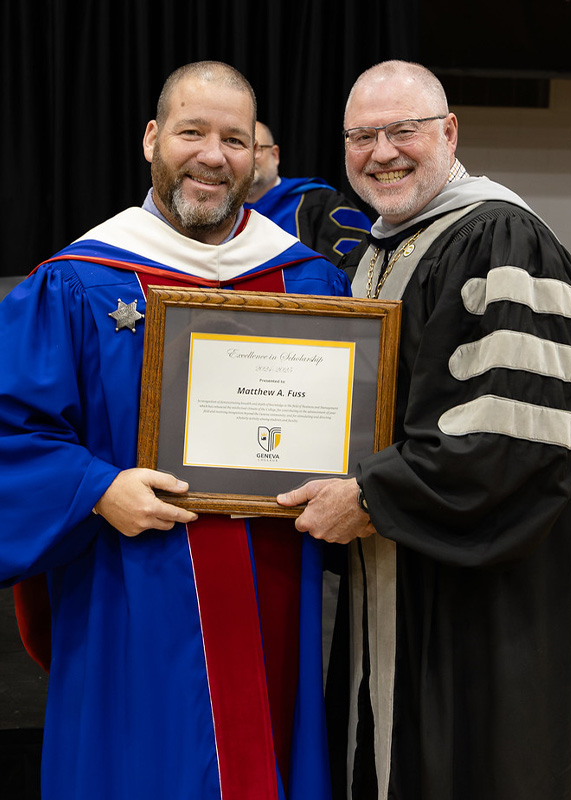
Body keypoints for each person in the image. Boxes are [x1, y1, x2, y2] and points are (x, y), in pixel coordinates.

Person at [0, 61, 351, 800]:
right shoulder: (78, 280)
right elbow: (12, 428)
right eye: (192, 132)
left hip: (271, 587)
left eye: (234, 138)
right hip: (128, 588)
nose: (213, 155)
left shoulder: (308, 284)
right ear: (153, 140)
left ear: (258, 158)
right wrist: (96, 489)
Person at [277, 60, 571, 799]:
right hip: (393, 575)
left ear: (449, 132)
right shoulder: (374, 254)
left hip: (486, 601)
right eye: (362, 136)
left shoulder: (506, 238)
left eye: (403, 130)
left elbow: (517, 441)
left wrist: (369, 496)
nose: (382, 151)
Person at [244, 121, 371, 263]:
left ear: (275, 155)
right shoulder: (222, 212)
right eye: (239, 147)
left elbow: (349, 272)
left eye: (256, 149)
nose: (249, 158)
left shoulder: (324, 204)